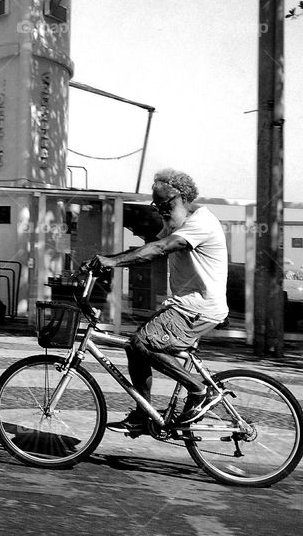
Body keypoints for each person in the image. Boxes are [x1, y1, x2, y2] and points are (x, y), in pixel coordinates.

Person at [89, 168, 228, 432]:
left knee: (142, 342)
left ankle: (199, 390)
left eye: (166, 203)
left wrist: (112, 262)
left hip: (197, 308)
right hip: (186, 306)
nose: (161, 209)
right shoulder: (178, 221)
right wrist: (106, 260)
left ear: (183, 196)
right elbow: (148, 247)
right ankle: (144, 415)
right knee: (135, 347)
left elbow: (159, 248)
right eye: (157, 204)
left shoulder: (201, 222)